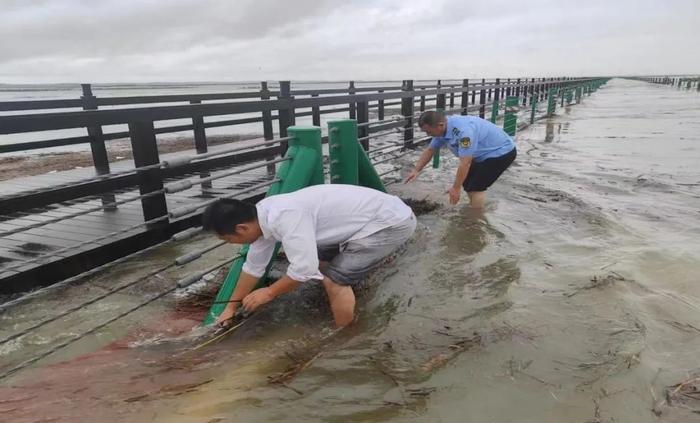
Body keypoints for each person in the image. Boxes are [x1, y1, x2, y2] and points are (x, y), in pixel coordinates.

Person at [202, 184, 416, 328]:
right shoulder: (261, 217)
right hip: (363, 219)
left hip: (390, 222)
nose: (231, 244)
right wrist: (230, 307)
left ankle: (345, 337)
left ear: (241, 228)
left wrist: (269, 293)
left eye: (228, 240)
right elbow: (253, 267)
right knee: (322, 264)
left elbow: (303, 270)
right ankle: (345, 296)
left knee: (334, 280)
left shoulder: (285, 216)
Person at [405, 110, 517, 208]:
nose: (428, 134)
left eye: (429, 131)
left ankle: (474, 220)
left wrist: (455, 188)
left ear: (440, 125)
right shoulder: (442, 130)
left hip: (501, 152)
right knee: (467, 183)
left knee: (476, 187)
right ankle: (475, 207)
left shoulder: (464, 134)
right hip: (483, 154)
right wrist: (416, 170)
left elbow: (465, 163)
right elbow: (430, 150)